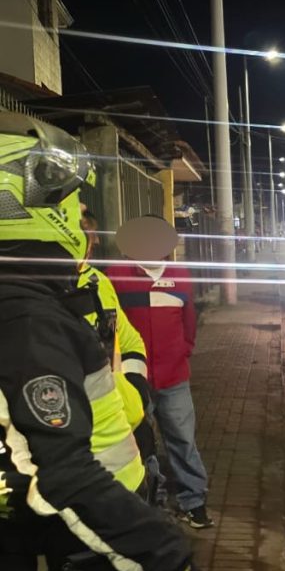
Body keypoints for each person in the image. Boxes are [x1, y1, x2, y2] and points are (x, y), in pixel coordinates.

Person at [0, 114, 223, 571]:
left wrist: (137, 388)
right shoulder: (28, 318)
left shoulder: (58, 293)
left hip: (75, 512)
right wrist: (175, 569)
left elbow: (131, 335)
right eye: (68, 199)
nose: (82, 212)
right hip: (81, 526)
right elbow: (65, 472)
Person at [106, 216, 214, 529]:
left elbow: (189, 323)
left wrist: (183, 351)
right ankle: (154, 499)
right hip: (133, 379)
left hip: (174, 376)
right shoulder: (115, 276)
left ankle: (194, 501)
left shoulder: (180, 276)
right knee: (142, 441)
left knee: (183, 439)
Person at [79, 209, 161, 504]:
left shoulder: (99, 282)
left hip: (123, 426)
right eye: (88, 236)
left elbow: (128, 339)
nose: (95, 243)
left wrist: (136, 387)